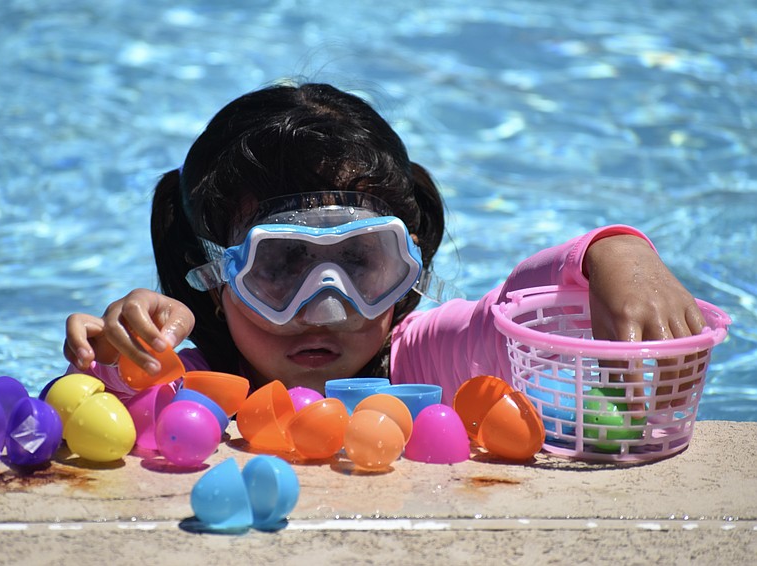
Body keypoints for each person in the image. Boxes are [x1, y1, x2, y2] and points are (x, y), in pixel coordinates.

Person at [62, 82, 705, 403]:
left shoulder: (419, 362)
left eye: (361, 261)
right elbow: (81, 414)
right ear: (212, 273)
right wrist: (127, 353)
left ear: (409, 267)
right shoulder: (196, 385)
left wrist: (611, 253)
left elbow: (510, 316)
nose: (328, 307)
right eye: (283, 263)